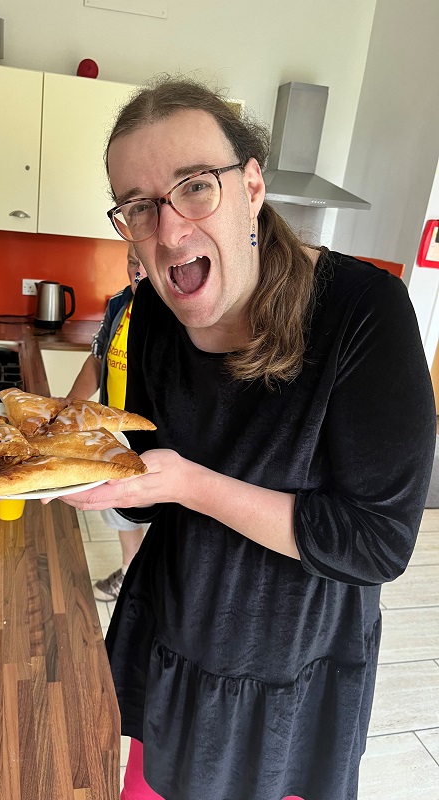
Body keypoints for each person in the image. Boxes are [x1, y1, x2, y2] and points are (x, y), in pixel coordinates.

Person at [56, 78, 436, 800]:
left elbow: (377, 543)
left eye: (195, 186)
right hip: (172, 644)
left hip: (289, 677)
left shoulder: (364, 313)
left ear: (251, 186)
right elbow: (144, 499)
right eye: (139, 206)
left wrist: (188, 483)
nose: (169, 231)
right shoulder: (149, 314)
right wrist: (99, 473)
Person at [67, 243, 148, 601]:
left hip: (156, 436)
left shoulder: (177, 314)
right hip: (114, 434)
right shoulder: (119, 304)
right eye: (132, 263)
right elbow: (97, 360)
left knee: (155, 510)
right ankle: (130, 572)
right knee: (119, 509)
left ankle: (148, 581)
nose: (138, 273)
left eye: (145, 265)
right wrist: (70, 406)